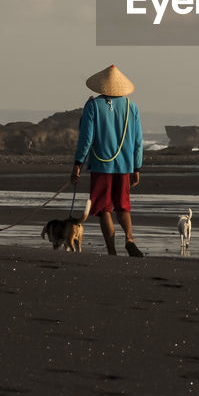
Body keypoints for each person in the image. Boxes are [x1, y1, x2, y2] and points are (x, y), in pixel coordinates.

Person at [71, 64, 144, 256]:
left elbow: (86, 138)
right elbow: (138, 140)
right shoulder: (131, 107)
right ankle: (129, 238)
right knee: (123, 205)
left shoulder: (93, 106)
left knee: (104, 209)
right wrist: (137, 167)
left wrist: (78, 163)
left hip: (101, 164)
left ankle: (112, 251)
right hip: (125, 165)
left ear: (101, 86)